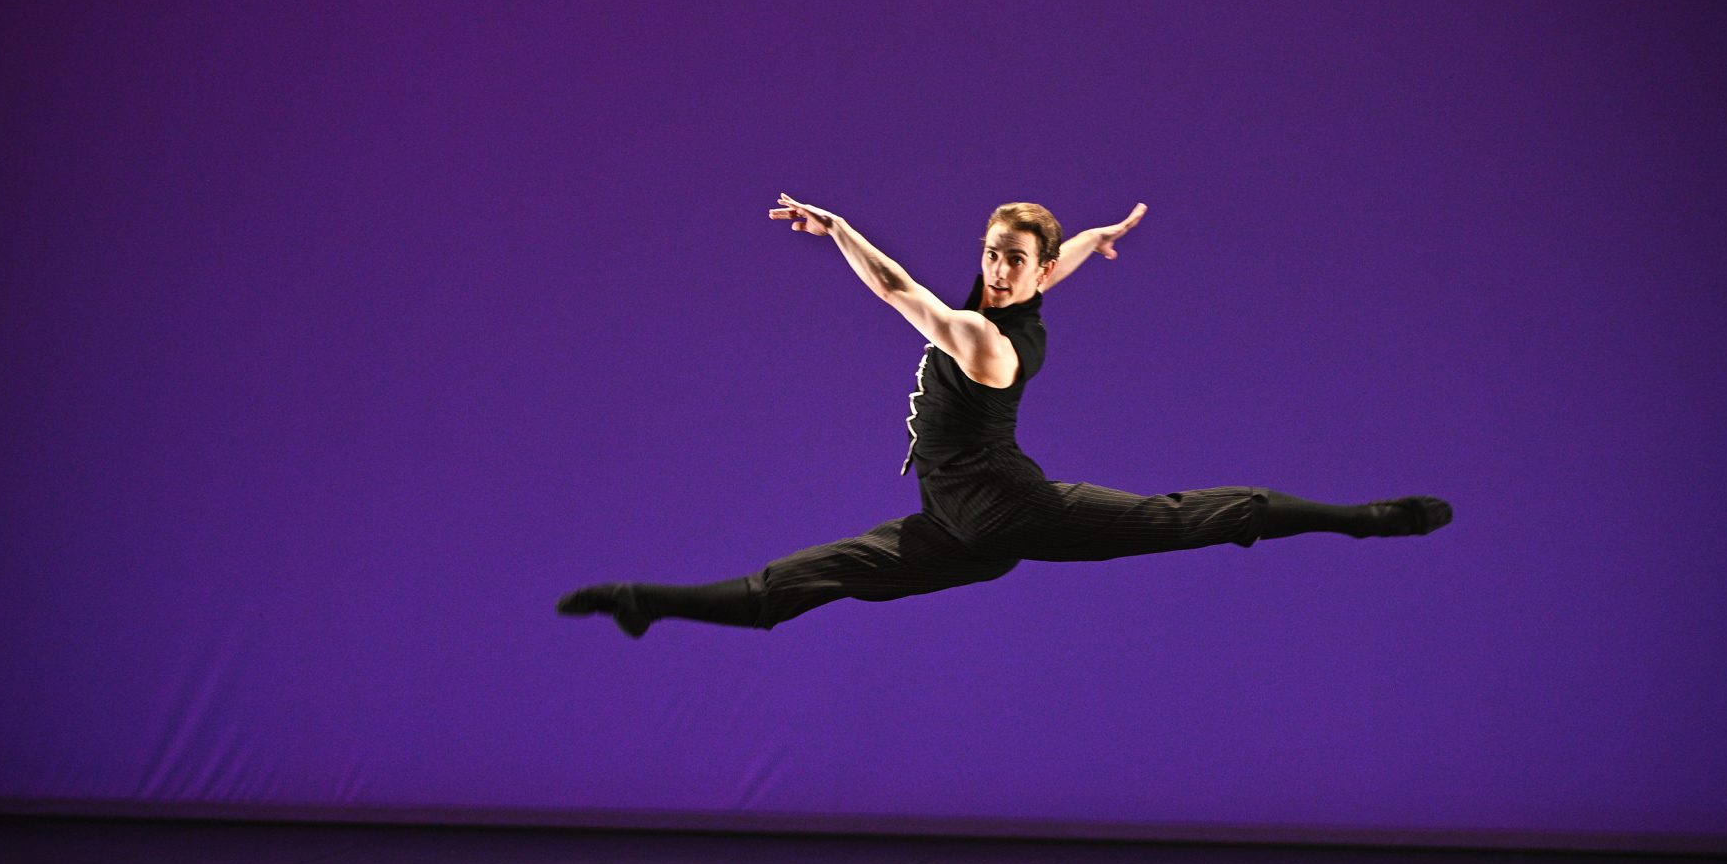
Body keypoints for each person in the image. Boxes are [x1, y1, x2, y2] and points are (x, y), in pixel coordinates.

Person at [556, 194, 1451, 638]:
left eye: (1016, 260)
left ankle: (1367, 519)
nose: (999, 269)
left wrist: (836, 231)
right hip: (957, 524)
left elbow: (898, 289)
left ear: (1034, 266)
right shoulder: (1017, 296)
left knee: (1179, 519)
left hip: (1010, 505)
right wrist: (1099, 240)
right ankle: (645, 603)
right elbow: (1060, 266)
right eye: (991, 253)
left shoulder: (986, 342)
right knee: (813, 576)